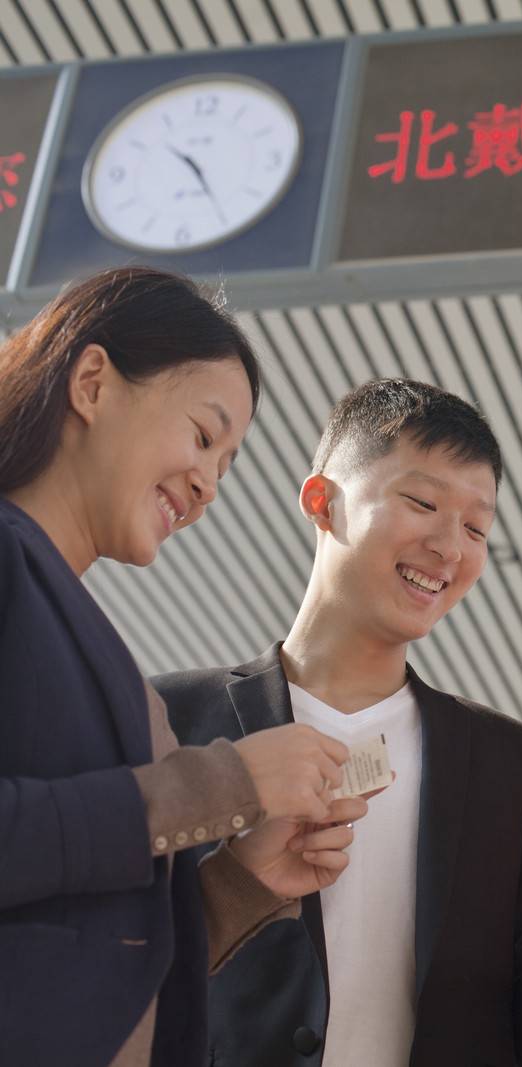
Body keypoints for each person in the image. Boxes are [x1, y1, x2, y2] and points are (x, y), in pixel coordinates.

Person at [157, 377, 522, 1067]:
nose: (450, 546)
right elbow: (110, 965)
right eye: (422, 502)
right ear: (322, 501)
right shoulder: (168, 719)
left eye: (476, 527)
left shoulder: (511, 764)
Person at [0, 267, 365, 1066]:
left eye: (227, 467)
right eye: (204, 435)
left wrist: (243, 883)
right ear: (92, 382)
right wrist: (220, 787)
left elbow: (102, 954)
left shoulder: (116, 668)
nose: (206, 485)